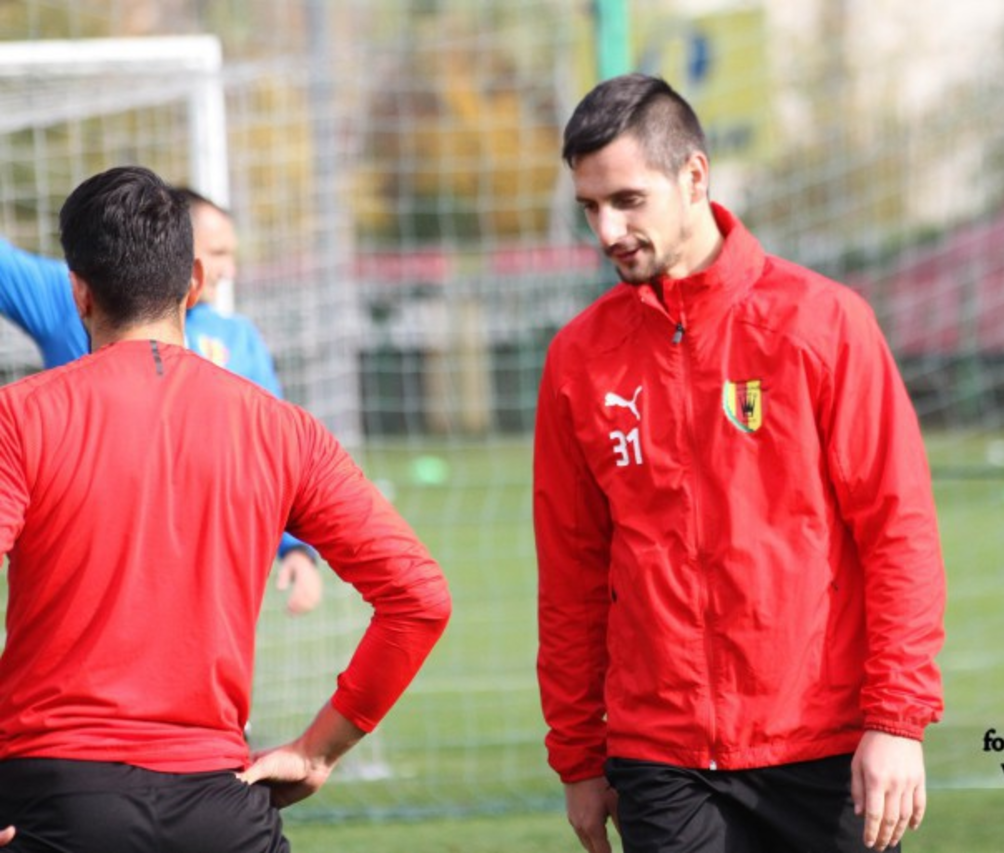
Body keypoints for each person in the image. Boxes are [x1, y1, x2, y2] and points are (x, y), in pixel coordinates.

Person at [533, 74, 946, 853]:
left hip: (825, 743)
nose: (608, 230)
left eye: (628, 200)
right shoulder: (577, 360)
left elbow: (899, 532)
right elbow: (572, 573)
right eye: (590, 207)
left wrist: (897, 719)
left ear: (695, 176)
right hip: (662, 757)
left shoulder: (824, 323)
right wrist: (579, 756)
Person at [0, 165, 452, 851]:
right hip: (220, 804)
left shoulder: (20, 417)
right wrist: (318, 750)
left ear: (79, 293)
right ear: (194, 283)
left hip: (57, 800)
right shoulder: (281, 429)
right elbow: (421, 598)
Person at [0, 187, 323, 613]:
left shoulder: (238, 339)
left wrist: (295, 548)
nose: (229, 270)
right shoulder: (71, 297)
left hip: (190, 592)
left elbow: (275, 458)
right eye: (218, 253)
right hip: (81, 582)